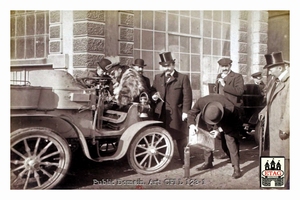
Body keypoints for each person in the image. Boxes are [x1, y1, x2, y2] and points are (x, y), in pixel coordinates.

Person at [151, 52, 193, 164]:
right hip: (161, 113)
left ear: (173, 65)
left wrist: (185, 112)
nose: (167, 68)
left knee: (181, 137)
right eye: (165, 66)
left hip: (177, 114)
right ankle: (161, 160)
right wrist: (154, 96)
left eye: (169, 65)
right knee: (161, 136)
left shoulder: (182, 78)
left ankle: (185, 161)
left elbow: (187, 97)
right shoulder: (157, 78)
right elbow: (153, 90)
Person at [187, 94, 242, 179]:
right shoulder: (201, 102)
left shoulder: (230, 108)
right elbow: (191, 113)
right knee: (206, 137)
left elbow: (233, 123)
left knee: (230, 140)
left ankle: (236, 168)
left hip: (227, 121)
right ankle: (208, 163)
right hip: (207, 119)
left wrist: (219, 129)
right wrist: (192, 125)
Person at [259, 51, 290, 188]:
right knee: (275, 158)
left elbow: (291, 107)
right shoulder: (275, 81)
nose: (270, 72)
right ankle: (274, 187)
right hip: (274, 129)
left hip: (282, 130)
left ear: (280, 67)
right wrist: (265, 109)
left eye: (271, 69)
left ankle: (278, 189)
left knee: (283, 160)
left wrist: (285, 127)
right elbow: (272, 100)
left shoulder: (291, 82)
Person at [214, 58, 244, 160]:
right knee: (221, 133)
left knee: (232, 134)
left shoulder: (237, 76)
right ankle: (226, 152)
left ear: (230, 66)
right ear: (220, 67)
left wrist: (224, 85)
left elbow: (240, 92)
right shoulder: (219, 76)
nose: (225, 68)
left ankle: (235, 157)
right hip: (221, 108)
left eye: (226, 66)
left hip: (232, 109)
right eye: (223, 66)